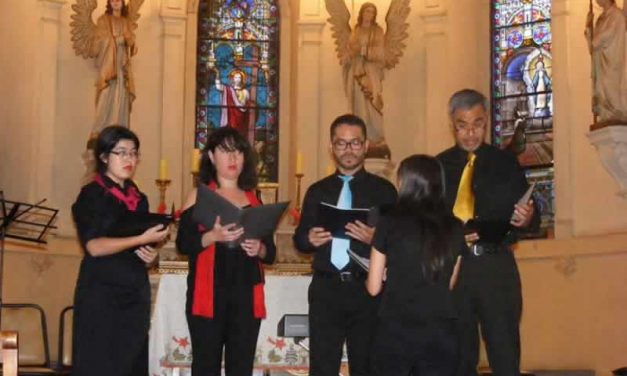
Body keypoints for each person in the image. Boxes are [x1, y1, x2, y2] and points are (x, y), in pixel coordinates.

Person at [436, 89, 539, 376]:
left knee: (504, 353)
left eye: (477, 124)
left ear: (486, 122)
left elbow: (531, 216)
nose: (470, 133)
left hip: (496, 268)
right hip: (454, 269)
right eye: (462, 125)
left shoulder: (505, 163)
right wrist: (452, 237)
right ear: (452, 125)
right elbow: (427, 223)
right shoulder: (438, 166)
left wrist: (527, 217)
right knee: (457, 356)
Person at [293, 114, 397, 376]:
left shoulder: (384, 191)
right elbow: (300, 239)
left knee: (367, 366)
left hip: (367, 290)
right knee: (323, 366)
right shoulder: (317, 191)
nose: (348, 150)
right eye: (341, 143)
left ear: (365, 146)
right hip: (326, 289)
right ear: (331, 147)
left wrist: (376, 239)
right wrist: (309, 239)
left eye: (354, 143)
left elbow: (400, 243)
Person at [176, 127, 276, 376]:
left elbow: (271, 253)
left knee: (241, 368)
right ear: (211, 156)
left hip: (245, 298)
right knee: (205, 366)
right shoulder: (198, 196)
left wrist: (259, 248)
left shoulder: (254, 200)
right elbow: (183, 244)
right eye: (225, 151)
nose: (233, 159)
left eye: (238, 152)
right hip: (209, 296)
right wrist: (212, 236)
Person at [72, 125, 169, 376]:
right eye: (122, 152)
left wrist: (150, 255)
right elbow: (94, 246)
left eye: (134, 153)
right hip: (101, 294)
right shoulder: (91, 195)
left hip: (134, 293)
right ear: (104, 157)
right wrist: (139, 238)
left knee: (132, 364)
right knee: (101, 364)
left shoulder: (139, 198)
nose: (129, 159)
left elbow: (142, 246)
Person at [367, 154, 465, 376]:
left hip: (396, 329)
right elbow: (449, 283)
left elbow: (373, 288)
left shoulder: (389, 222)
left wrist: (387, 275)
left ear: (406, 183)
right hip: (441, 331)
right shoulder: (455, 227)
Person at [90, 0, 138, 142]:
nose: (116, 2)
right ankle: (101, 131)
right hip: (109, 68)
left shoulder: (126, 22)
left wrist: (131, 42)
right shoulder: (103, 20)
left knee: (121, 97)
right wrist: (119, 40)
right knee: (106, 97)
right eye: (113, 0)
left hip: (122, 68)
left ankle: (120, 130)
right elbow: (98, 43)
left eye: (119, 0)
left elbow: (133, 46)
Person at [346, 3, 388, 157]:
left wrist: (367, 51)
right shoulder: (356, 32)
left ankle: (376, 137)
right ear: (362, 13)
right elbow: (350, 50)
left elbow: (382, 54)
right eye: (367, 11)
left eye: (372, 12)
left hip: (371, 73)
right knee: (359, 105)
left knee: (373, 102)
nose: (369, 15)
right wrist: (357, 50)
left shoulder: (377, 31)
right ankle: (361, 136)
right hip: (358, 72)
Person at [585, 0, 627, 122]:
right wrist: (589, 26)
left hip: (613, 64)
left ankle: (615, 112)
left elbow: (601, 39)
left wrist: (594, 38)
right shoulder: (601, 18)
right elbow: (593, 47)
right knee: (602, 93)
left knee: (612, 94)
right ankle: (607, 114)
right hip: (601, 65)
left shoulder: (616, 16)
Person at [216, 69, 251, 136]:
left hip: (242, 118)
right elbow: (218, 87)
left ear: (242, 79)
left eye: (239, 77)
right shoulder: (228, 90)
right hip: (230, 117)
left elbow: (248, 105)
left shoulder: (245, 91)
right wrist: (217, 75)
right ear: (232, 79)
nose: (237, 79)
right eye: (236, 77)